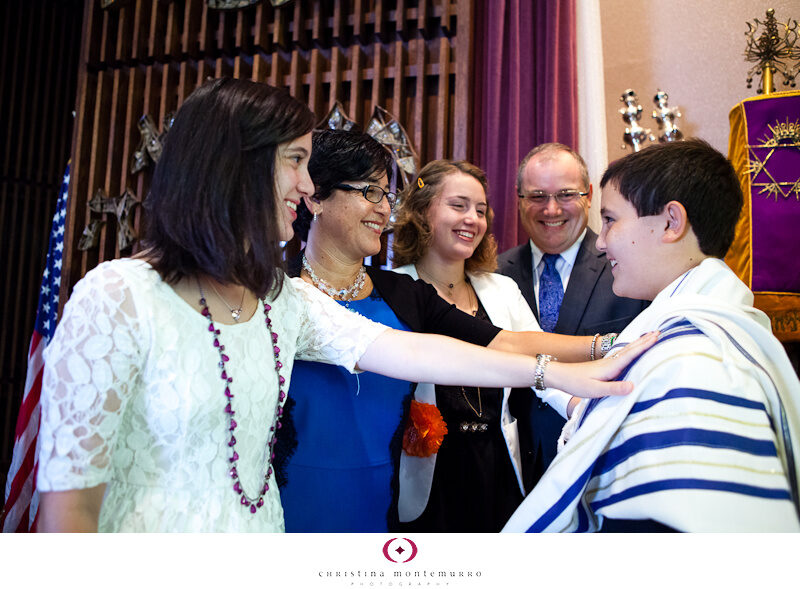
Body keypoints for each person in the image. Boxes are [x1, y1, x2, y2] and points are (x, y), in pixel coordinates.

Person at [35, 80, 654, 533]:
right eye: (296, 162)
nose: (305, 187)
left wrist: (564, 371)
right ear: (235, 166)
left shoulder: (281, 299)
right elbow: (69, 511)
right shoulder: (117, 296)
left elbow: (416, 349)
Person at [277, 130, 645, 533]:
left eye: (387, 196)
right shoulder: (277, 293)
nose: (384, 210)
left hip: (386, 505)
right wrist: (554, 371)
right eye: (370, 193)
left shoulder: (403, 294)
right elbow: (425, 355)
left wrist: (609, 345)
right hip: (297, 497)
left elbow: (503, 340)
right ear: (313, 197)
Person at [503, 139, 800, 532]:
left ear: (671, 223)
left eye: (610, 220)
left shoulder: (694, 360)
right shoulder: (693, 333)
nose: (602, 239)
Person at [391, 159, 572, 531]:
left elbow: (539, 363)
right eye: (458, 206)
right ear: (423, 212)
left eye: (480, 210)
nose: (472, 218)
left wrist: (577, 403)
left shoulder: (501, 289)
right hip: (428, 471)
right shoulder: (392, 289)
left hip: (499, 463)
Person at [497, 143, 649, 479]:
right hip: (514, 467)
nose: (551, 209)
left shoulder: (630, 269)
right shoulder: (493, 274)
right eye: (537, 196)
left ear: (589, 195)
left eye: (565, 194)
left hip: (603, 460)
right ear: (519, 199)